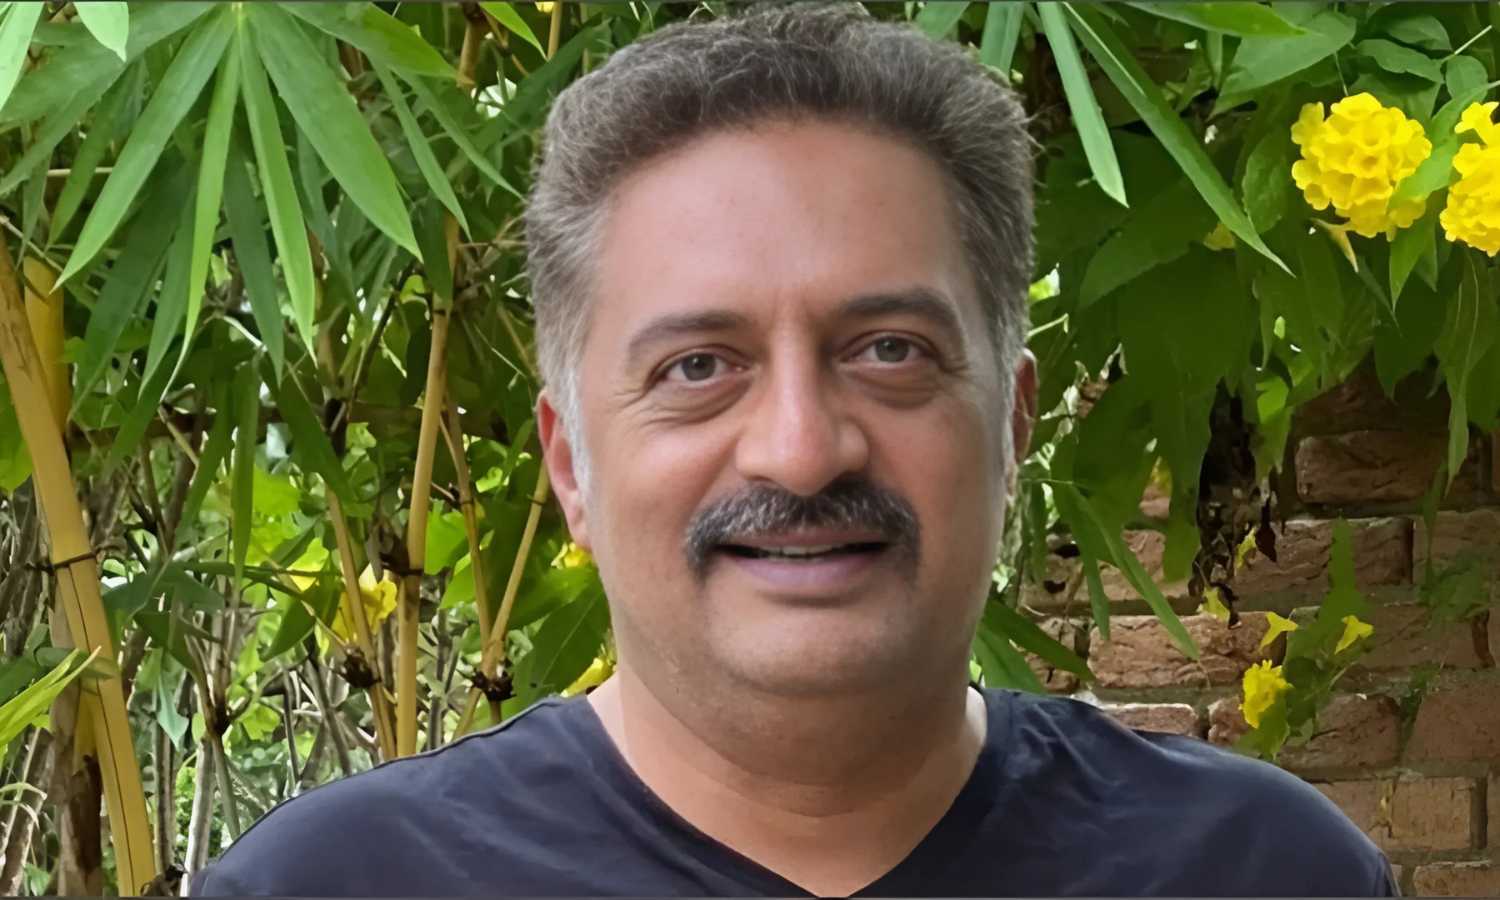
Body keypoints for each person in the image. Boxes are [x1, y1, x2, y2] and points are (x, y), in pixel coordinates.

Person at [193, 3, 1396, 896]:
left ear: (1011, 423)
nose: (801, 450)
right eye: (697, 367)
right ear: (571, 467)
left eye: (888, 351)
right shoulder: (337, 885)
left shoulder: (1263, 874)